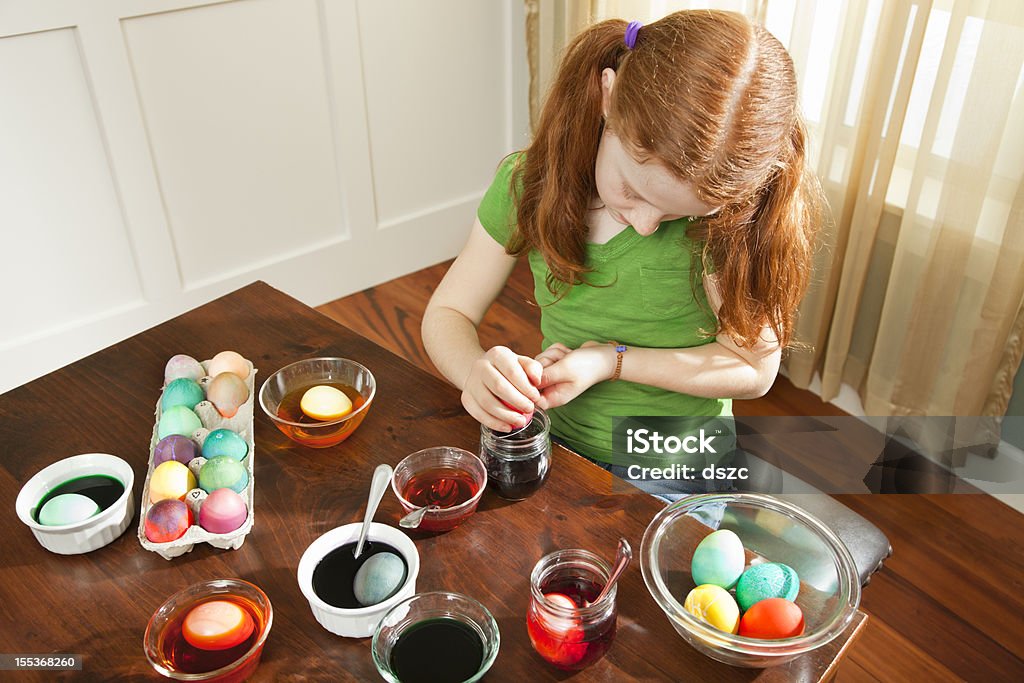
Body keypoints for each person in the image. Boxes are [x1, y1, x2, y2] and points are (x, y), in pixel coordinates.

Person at [421, 11, 821, 499]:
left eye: (675, 215)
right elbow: (449, 311)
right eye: (631, 190)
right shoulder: (529, 185)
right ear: (608, 96)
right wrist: (474, 373)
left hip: (677, 469)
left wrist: (612, 361)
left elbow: (754, 368)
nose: (648, 224)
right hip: (556, 441)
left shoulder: (729, 227)